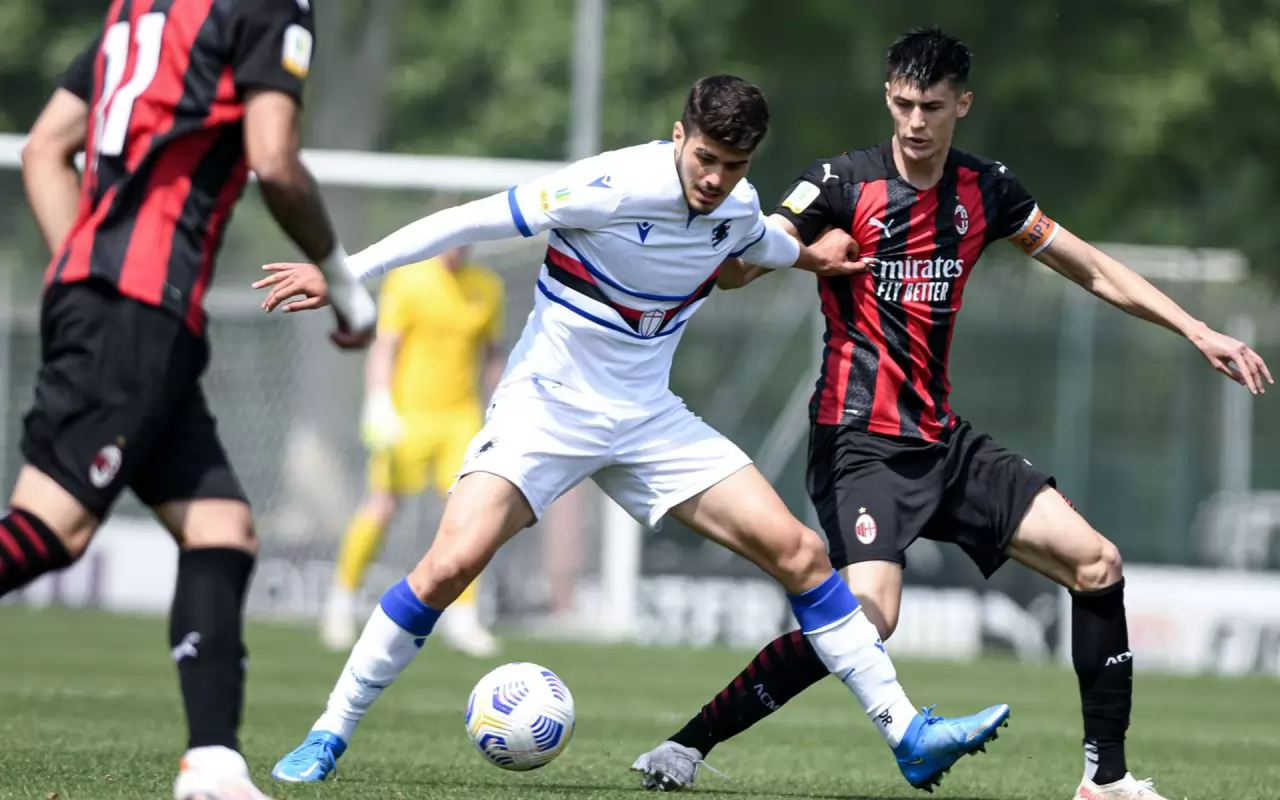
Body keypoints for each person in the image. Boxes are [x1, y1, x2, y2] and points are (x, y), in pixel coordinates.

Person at [255, 74, 1011, 792]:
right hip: (546, 411)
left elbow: (762, 243)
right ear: (679, 136)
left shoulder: (738, 205)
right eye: (705, 158)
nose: (715, 178)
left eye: (734, 165)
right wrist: (342, 273)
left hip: (649, 419)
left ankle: (908, 734)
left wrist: (812, 254)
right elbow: (468, 220)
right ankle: (329, 732)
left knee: (802, 554)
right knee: (449, 564)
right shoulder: (610, 185)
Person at [630, 28, 1272, 800]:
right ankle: (687, 745)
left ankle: (1106, 781)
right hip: (859, 443)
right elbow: (738, 269)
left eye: (931, 106)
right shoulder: (838, 183)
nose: (915, 121)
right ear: (888, 97)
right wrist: (789, 252)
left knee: (1097, 563)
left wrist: (1196, 329)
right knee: (868, 620)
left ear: (961, 104)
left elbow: (1092, 268)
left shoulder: (986, 189)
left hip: (943, 440)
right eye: (903, 103)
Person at [5, 2, 378, 798]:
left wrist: (85, 271)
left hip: (128, 310)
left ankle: (212, 764)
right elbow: (275, 161)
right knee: (53, 528)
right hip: (136, 313)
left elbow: (43, 150)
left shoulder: (142, 8)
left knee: (221, 527)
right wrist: (346, 288)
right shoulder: (267, 6)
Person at [321, 244, 507, 657]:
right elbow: (386, 346)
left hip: (460, 419)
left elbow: (492, 355)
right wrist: (378, 401)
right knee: (382, 507)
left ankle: (464, 616)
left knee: (470, 515)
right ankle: (341, 601)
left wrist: (502, 409)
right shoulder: (408, 281)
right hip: (407, 416)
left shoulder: (487, 287)